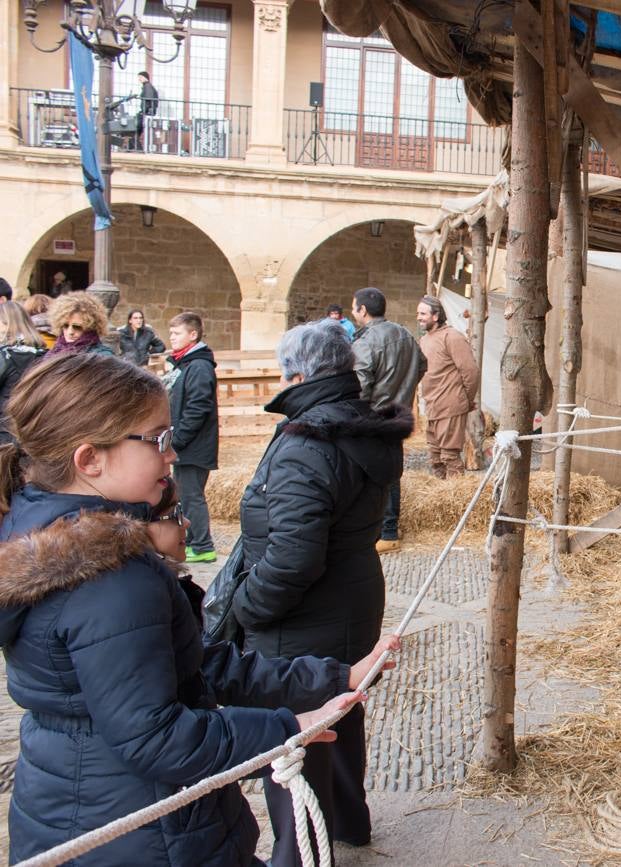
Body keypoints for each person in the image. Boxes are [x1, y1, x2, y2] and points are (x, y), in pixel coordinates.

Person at [0, 352, 397, 865]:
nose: (173, 454)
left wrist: (333, 678)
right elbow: (156, 736)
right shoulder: (111, 578)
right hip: (145, 831)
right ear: (89, 460)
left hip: (77, 805)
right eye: (158, 439)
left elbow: (189, 664)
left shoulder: (37, 533)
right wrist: (289, 730)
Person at [232, 321, 412, 866]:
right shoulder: (357, 425)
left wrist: (246, 606)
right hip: (353, 597)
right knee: (340, 711)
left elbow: (292, 558)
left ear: (300, 373)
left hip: (303, 614)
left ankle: (300, 852)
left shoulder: (307, 443)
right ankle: (350, 823)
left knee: (297, 741)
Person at [350, 287, 423, 553]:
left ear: (363, 310)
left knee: (376, 475)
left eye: (354, 307)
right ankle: (387, 527)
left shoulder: (367, 341)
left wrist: (356, 413)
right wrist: (404, 391)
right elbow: (422, 364)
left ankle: (388, 531)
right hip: (398, 413)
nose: (353, 312)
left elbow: (361, 383)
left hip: (374, 416)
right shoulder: (405, 334)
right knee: (391, 471)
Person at [165, 312, 218, 564]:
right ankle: (193, 542)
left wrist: (177, 441)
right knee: (185, 494)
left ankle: (202, 546)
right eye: (171, 333)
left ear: (193, 335)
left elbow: (198, 408)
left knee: (191, 495)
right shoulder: (186, 364)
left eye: (177, 333)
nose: (171, 338)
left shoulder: (198, 366)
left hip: (194, 446)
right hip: (188, 445)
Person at [416, 295, 480, 478]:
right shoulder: (425, 339)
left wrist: (465, 400)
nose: (418, 317)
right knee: (435, 457)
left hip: (450, 404)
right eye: (417, 313)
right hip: (433, 405)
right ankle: (440, 496)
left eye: (423, 313)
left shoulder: (452, 336)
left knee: (449, 456)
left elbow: (471, 371)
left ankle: (456, 499)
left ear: (436, 316)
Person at [0, 304, 45, 443]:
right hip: (33, 432)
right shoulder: (44, 354)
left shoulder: (5, 355)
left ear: (7, 324)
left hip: (4, 432)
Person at [47, 291, 114, 356]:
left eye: (77, 327)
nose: (70, 332)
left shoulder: (101, 356)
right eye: (65, 326)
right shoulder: (55, 350)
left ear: (91, 327)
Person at [135, 71, 159, 151]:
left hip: (147, 113)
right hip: (147, 112)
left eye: (140, 77)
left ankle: (137, 147)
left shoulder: (147, 87)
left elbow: (148, 100)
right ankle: (136, 147)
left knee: (135, 128)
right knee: (137, 128)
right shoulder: (147, 86)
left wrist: (144, 111)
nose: (139, 79)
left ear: (145, 77)